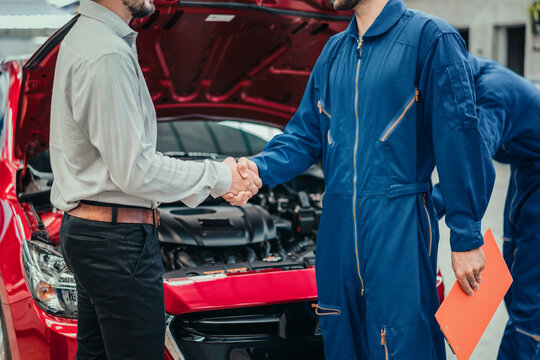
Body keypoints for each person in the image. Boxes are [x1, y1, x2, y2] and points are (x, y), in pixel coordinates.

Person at [224, 0, 495, 358]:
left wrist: (466, 236)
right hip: (336, 229)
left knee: (402, 342)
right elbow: (305, 136)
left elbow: (459, 138)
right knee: (341, 341)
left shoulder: (431, 38)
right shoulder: (334, 52)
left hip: (399, 224)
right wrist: (258, 168)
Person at [50, 0, 261, 358]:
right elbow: (137, 170)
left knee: (96, 353)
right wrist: (220, 177)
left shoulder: (87, 38)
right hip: (116, 241)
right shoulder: (106, 54)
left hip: (93, 233)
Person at [432, 54, 540, 359]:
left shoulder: (491, 95)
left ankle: (525, 342)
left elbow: (475, 164)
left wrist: (429, 204)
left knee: (530, 288)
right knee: (510, 259)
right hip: (527, 167)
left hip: (534, 170)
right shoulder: (471, 75)